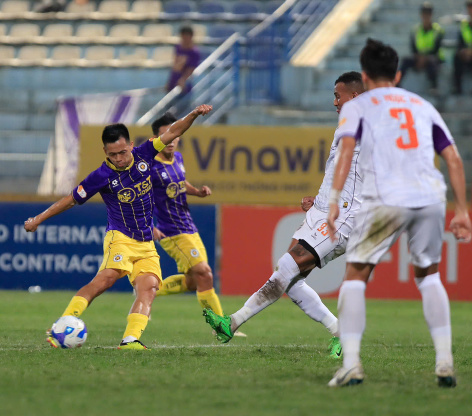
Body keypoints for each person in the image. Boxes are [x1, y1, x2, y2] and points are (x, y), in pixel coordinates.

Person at [326, 38, 471, 388]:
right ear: (399, 74)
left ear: (364, 74)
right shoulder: (422, 105)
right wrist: (462, 210)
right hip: (431, 196)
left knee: (356, 275)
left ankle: (352, 363)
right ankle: (445, 362)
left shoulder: (358, 106)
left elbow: (347, 150)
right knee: (429, 275)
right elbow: (452, 158)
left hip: (386, 197)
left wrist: (333, 200)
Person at [204, 71, 366, 358]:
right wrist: (320, 198)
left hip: (341, 217)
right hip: (323, 210)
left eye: (338, 96)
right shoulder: (347, 126)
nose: (334, 102)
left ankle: (232, 322)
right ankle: (341, 331)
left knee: (286, 266)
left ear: (354, 96)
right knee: (290, 281)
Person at [25, 105, 213, 350]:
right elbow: (71, 199)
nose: (119, 158)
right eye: (113, 154)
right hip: (120, 237)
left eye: (123, 152)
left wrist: (194, 115)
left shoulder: (146, 154)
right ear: (105, 151)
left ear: (131, 145)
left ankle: (130, 340)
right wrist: (39, 218)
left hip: (145, 242)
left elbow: (174, 131)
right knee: (107, 278)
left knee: (149, 288)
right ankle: (60, 325)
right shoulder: (100, 176)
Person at [149, 112, 244, 337]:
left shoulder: (178, 159)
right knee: (205, 273)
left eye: (174, 135)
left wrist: (197, 192)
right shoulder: (150, 167)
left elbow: (180, 183)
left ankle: (147, 290)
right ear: (156, 139)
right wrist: (149, 225)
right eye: (166, 136)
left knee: (193, 282)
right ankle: (220, 326)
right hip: (171, 231)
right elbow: (140, 198)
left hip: (189, 227)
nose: (171, 140)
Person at [399, 2, 445, 93]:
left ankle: (434, 86)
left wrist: (425, 58)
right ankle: (397, 83)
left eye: (428, 13)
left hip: (433, 57)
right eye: (424, 13)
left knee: (432, 62)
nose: (426, 16)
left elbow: (437, 48)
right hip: (419, 57)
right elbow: (413, 48)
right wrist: (419, 57)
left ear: (431, 15)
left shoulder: (438, 30)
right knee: (405, 60)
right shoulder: (416, 30)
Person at [453, 0, 472, 94]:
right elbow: (460, 43)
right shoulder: (464, 25)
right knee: (457, 57)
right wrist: (464, 51)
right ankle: (458, 88)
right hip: (467, 55)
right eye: (469, 7)